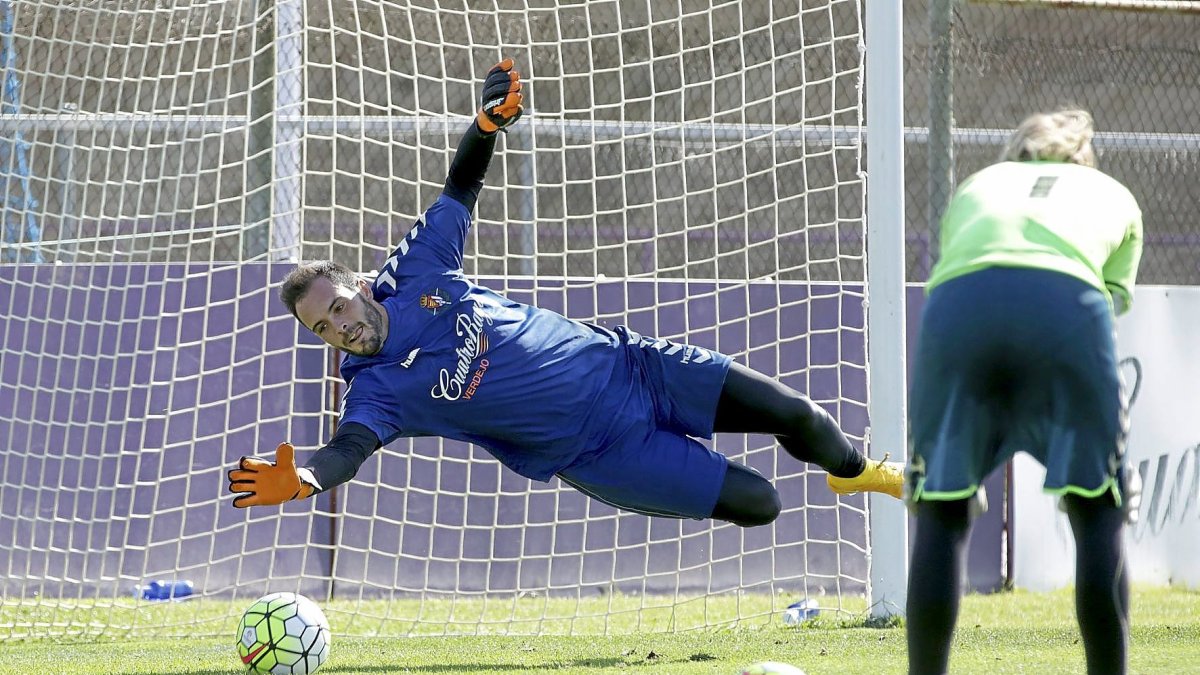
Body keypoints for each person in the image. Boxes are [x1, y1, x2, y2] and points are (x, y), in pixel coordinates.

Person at [227, 58, 902, 528]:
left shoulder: (417, 270)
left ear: (358, 283)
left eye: (337, 305)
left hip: (636, 366)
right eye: (323, 328)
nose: (339, 326)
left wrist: (488, 125)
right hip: (601, 452)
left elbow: (460, 186)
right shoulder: (374, 390)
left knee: (806, 418)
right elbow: (348, 448)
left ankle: (855, 470)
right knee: (762, 503)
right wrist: (310, 477)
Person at [905, 109, 1143, 675]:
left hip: (959, 309)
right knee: (1099, 508)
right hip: (1065, 308)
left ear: (1018, 151)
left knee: (943, 509)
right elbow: (1107, 305)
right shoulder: (1115, 194)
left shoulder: (978, 184)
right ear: (1083, 159)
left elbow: (967, 260)